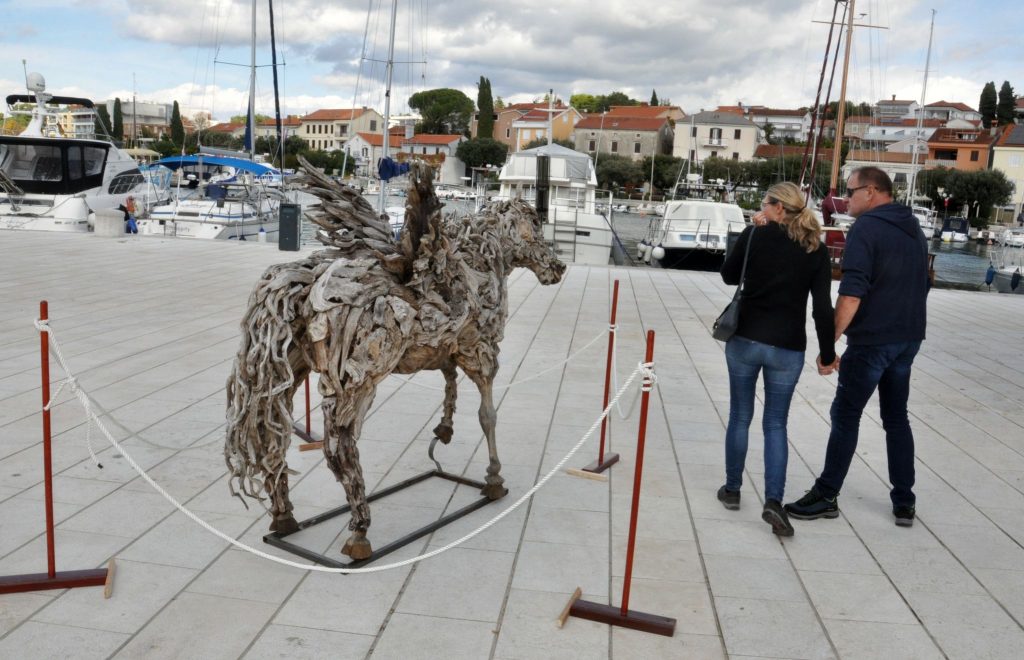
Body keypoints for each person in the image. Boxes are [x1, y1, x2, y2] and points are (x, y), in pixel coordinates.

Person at [785, 166, 929, 527]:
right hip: (908, 338)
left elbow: (851, 294)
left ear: (872, 191)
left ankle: (826, 494)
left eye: (850, 192)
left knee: (845, 415)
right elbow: (922, 283)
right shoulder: (913, 228)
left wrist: (827, 344)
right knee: (896, 418)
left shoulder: (867, 228)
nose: (844, 199)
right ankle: (904, 501)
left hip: (873, 341)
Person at [717, 181, 837, 537]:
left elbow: (727, 276)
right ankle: (773, 501)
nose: (762, 208)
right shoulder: (816, 248)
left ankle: (733, 489)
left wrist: (750, 232)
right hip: (787, 347)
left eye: (766, 203)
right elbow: (821, 309)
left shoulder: (755, 236)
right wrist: (828, 354)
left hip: (746, 339)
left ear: (779, 208)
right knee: (776, 424)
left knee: (740, 415)